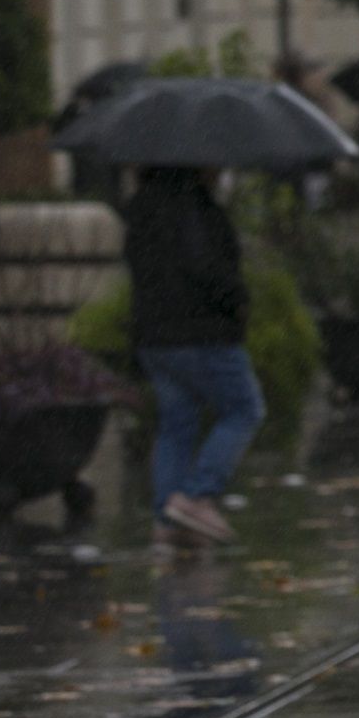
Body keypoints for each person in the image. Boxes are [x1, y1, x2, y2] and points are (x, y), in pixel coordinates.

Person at [122, 165, 258, 547]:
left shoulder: (142, 209)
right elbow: (206, 269)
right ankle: (197, 497)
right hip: (201, 332)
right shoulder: (192, 208)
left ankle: (168, 517)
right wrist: (237, 298)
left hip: (155, 336)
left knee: (176, 423)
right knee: (244, 408)